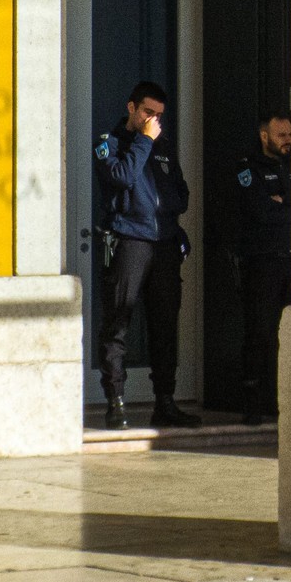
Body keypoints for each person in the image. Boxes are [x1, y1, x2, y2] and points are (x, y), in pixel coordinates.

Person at [93, 80, 200, 430]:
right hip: (129, 241)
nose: (154, 119)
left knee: (165, 325)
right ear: (131, 108)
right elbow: (121, 177)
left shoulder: (162, 147)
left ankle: (165, 401)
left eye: (158, 115)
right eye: (147, 112)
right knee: (118, 321)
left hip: (164, 243)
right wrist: (144, 141)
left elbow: (180, 195)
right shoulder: (111, 144)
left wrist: (166, 210)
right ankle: (116, 401)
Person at [234, 111, 291, 426]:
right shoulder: (248, 167)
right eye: (281, 135)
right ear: (265, 136)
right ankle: (253, 402)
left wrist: (281, 203)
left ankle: (280, 401)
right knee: (260, 332)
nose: (288, 141)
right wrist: (281, 206)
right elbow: (260, 211)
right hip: (262, 261)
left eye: (290, 135)